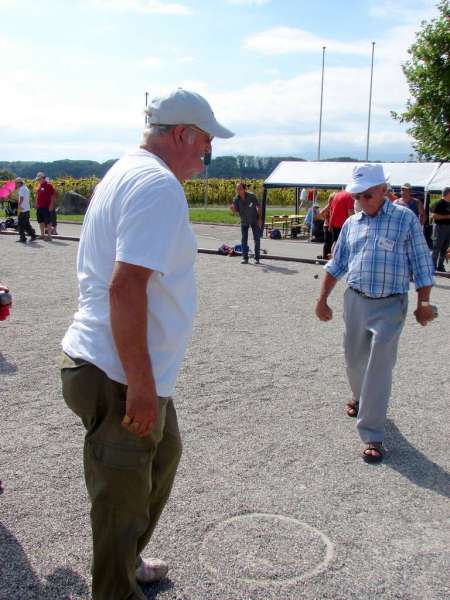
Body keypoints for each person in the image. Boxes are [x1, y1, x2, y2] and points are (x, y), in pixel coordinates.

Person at [60, 88, 233, 600]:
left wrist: (145, 380)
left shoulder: (128, 169)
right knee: (122, 500)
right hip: (118, 371)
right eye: (205, 145)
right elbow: (126, 285)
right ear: (180, 134)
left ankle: (128, 564)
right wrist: (139, 384)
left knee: (163, 454)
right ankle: (115, 589)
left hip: (123, 366)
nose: (206, 159)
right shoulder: (158, 186)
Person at [315, 164, 435, 464]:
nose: (362, 200)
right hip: (356, 300)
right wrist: (322, 299)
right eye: (357, 195)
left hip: (391, 305)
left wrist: (423, 303)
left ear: (384, 190)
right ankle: (359, 397)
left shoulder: (404, 219)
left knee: (379, 367)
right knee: (354, 362)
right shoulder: (353, 223)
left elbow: (421, 262)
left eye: (368, 194)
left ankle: (373, 435)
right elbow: (337, 263)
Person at [230, 182, 262, 264]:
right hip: (244, 221)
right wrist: (233, 210)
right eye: (237, 188)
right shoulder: (236, 199)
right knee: (244, 240)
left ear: (244, 189)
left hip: (254, 220)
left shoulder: (252, 196)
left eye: (239, 188)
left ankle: (257, 258)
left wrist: (260, 218)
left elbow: (258, 207)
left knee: (256, 239)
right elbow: (236, 211)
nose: (238, 190)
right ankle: (245, 258)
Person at [431, 186, 450, 272]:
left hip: (448, 228)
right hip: (439, 227)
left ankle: (440, 266)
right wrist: (447, 216)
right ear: (448, 193)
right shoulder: (438, 203)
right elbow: (434, 216)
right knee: (437, 247)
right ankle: (432, 265)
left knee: (445, 248)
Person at [35, 172, 56, 240]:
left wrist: (51, 205)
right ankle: (42, 235)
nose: (38, 180)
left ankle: (49, 236)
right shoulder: (39, 185)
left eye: (39, 179)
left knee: (48, 222)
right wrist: (36, 204)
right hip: (39, 207)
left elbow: (52, 196)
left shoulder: (49, 185)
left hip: (46, 207)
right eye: (38, 179)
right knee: (41, 221)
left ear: (43, 178)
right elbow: (38, 196)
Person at [15, 177, 36, 243]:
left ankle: (23, 238)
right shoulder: (26, 188)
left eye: (16, 183)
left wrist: (19, 207)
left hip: (22, 209)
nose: (16, 184)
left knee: (21, 224)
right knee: (27, 224)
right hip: (26, 208)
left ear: (19, 183)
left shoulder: (21, 189)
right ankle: (33, 235)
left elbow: (21, 198)